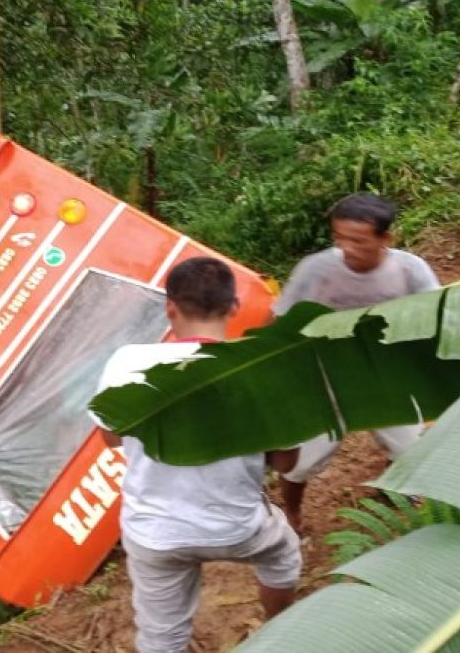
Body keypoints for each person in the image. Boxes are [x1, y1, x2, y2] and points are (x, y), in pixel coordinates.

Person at [94, 257, 302, 653]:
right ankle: (280, 632)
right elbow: (286, 464)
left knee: (160, 636)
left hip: (154, 533)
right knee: (283, 555)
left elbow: (112, 437)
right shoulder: (260, 372)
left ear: (170, 307)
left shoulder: (125, 364)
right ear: (234, 307)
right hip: (237, 530)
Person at [273, 192, 441, 532]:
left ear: (385, 239)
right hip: (326, 377)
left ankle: (398, 487)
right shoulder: (316, 270)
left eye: (358, 240)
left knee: (411, 449)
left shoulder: (409, 270)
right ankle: (291, 510)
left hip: (387, 376)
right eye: (340, 238)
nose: (347, 247)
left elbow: (433, 316)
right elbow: (280, 320)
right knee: (301, 462)